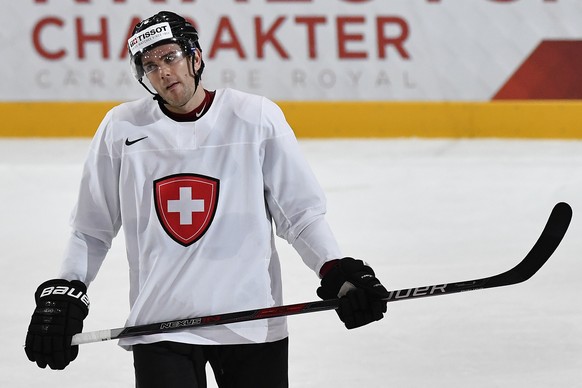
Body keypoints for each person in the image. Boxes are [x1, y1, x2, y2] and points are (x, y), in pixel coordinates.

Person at [24, 11, 389, 388]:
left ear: (195, 57)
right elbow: (90, 228)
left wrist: (335, 270)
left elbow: (300, 215)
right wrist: (66, 290)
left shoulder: (255, 116)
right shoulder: (122, 128)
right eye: (149, 65)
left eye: (169, 57)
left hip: (252, 323)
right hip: (160, 326)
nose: (162, 72)